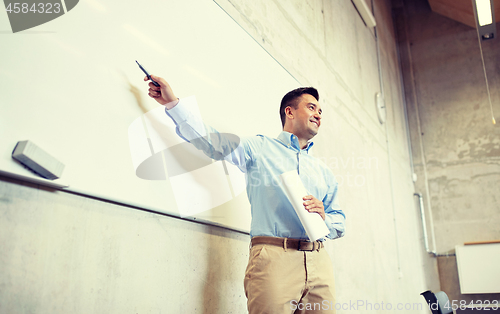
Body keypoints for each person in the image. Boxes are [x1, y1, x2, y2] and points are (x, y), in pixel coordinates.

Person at [144, 74, 346, 314]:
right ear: (289, 112)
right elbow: (212, 142)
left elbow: (340, 220)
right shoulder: (260, 148)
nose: (318, 115)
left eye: (321, 111)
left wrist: (325, 218)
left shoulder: (323, 171)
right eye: (312, 107)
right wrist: (173, 104)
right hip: (274, 258)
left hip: (319, 262)